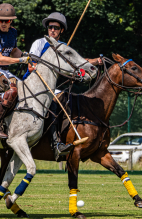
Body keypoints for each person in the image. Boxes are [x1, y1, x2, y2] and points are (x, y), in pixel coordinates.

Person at [28, 12, 102, 160]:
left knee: (64, 101)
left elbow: (77, 62)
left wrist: (95, 62)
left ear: (62, 30)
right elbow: (31, 65)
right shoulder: (39, 43)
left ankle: (57, 142)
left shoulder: (62, 47)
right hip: (33, 84)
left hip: (50, 87)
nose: (52, 30)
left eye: (56, 27)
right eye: (50, 27)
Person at [0, 3, 30, 139]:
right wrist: (20, 61)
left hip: (2, 70)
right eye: (0, 20)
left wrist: (26, 56)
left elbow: (14, 50)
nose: (3, 23)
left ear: (11, 21)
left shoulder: (13, 32)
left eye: (6, 21)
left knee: (24, 87)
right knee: (10, 90)